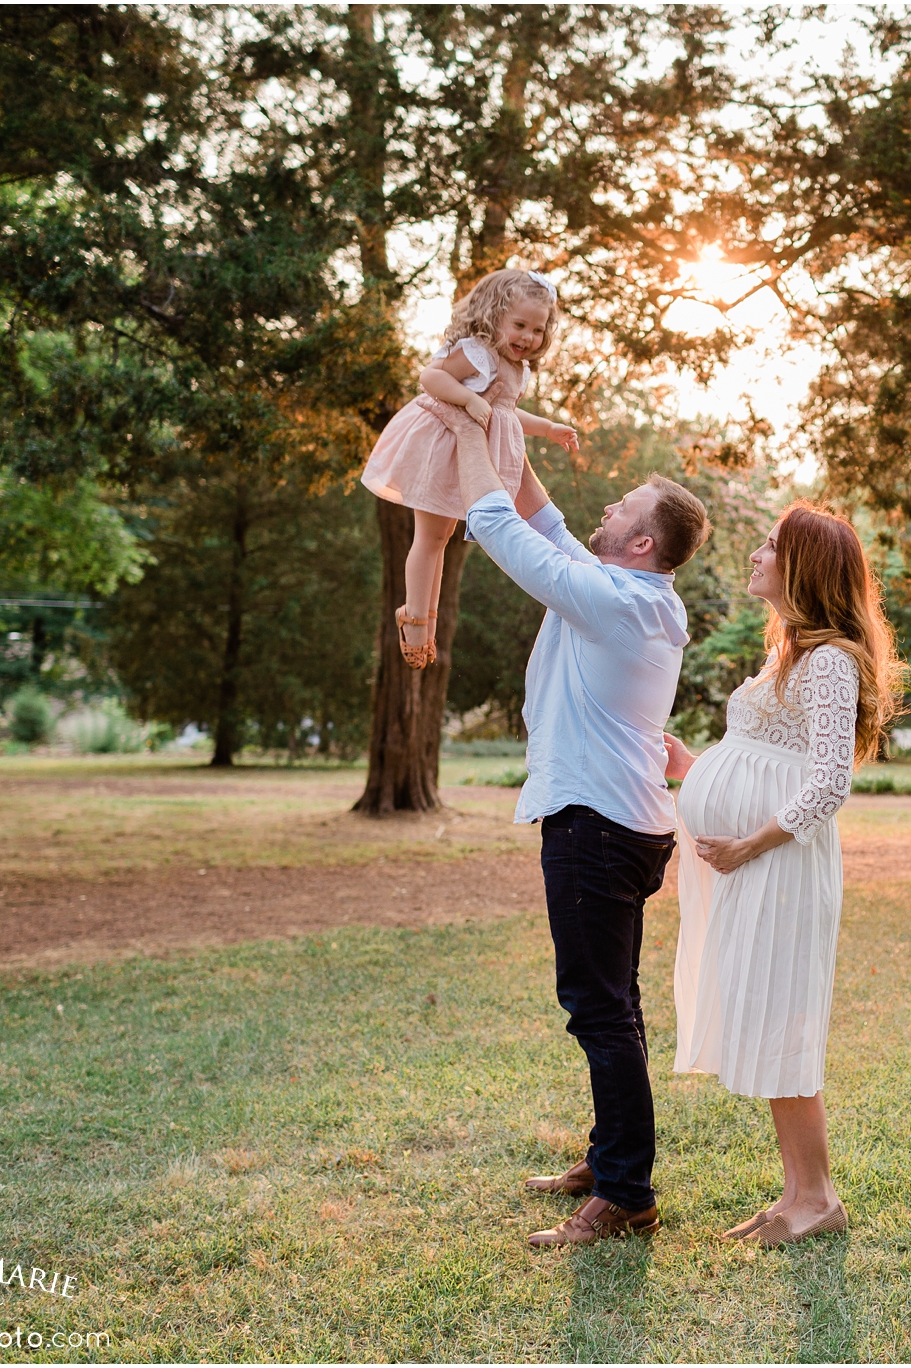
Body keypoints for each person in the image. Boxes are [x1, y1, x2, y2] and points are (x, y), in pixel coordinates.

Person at [449, 411, 712, 1249]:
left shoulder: (611, 602)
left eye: (624, 506)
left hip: (596, 826)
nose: (606, 508)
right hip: (618, 821)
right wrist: (503, 425)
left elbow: (500, 526)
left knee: (598, 1010)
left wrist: (460, 431)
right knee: (614, 1004)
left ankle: (627, 1193)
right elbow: (545, 518)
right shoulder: (629, 593)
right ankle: (608, 1162)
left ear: (642, 544)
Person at [662, 503, 904, 1247]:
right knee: (767, 1017)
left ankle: (819, 1197)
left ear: (802, 567)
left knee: (785, 1020)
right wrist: (695, 770)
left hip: (783, 865)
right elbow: (771, 760)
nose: (756, 553)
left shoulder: (830, 661)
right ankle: (797, 1191)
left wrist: (750, 844)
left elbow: (828, 782)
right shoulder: (789, 652)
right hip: (758, 862)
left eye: (770, 545)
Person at [359, 267, 581, 669]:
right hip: (442, 446)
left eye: (537, 329)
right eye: (519, 325)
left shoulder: (518, 367)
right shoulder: (477, 351)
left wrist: (547, 428)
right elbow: (430, 377)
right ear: (494, 315)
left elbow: (507, 414)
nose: (527, 338)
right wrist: (467, 398)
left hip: (469, 459)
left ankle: (427, 618)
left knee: (442, 538)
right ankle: (414, 619)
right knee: (428, 536)